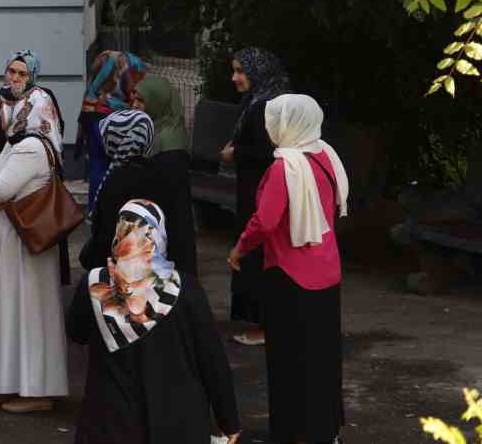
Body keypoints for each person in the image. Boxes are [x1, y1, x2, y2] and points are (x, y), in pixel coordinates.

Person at [68, 199, 242, 444]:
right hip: (176, 422)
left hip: (110, 422)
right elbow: (212, 361)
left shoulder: (94, 285)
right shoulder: (185, 289)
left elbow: (76, 332)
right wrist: (229, 421)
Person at [227, 94, 347, 444]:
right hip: (328, 271)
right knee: (323, 357)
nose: (269, 127)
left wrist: (239, 248)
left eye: (273, 120)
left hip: (290, 276)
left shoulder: (284, 168)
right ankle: (324, 430)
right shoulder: (325, 155)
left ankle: (292, 432)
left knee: (288, 359)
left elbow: (264, 221)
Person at [0, 82, 69, 414]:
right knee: (15, 310)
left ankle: (37, 390)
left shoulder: (30, 147)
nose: (3, 112)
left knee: (28, 312)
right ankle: (12, 383)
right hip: (16, 242)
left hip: (22, 244)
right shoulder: (23, 143)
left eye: (12, 106)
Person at [221, 47, 291, 346]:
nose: (234, 78)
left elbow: (267, 151)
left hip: (262, 190)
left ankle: (265, 325)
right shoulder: (257, 100)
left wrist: (234, 153)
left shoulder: (266, 106)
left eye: (241, 71)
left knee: (259, 250)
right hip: (253, 187)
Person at [0, 50, 63, 280]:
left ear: (32, 76)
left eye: (22, 74)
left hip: (30, 202)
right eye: (11, 71)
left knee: (26, 275)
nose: (15, 78)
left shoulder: (40, 101)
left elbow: (53, 138)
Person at [79, 111, 196, 279]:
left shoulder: (115, 181)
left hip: (121, 275)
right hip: (159, 272)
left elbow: (104, 237)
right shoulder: (162, 176)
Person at [139, 67, 199, 279]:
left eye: (141, 100)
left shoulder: (170, 143)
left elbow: (172, 207)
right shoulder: (160, 129)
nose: (135, 105)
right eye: (134, 99)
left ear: (158, 101)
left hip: (170, 235)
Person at [82, 50, 148, 211]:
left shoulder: (104, 57)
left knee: (96, 167)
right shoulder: (127, 65)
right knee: (113, 170)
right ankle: (109, 211)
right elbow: (134, 94)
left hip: (90, 113)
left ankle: (94, 211)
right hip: (111, 117)